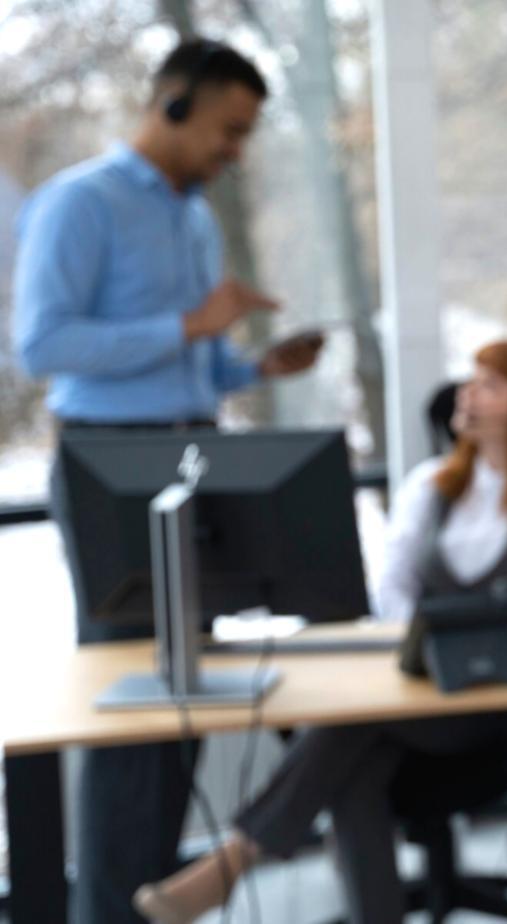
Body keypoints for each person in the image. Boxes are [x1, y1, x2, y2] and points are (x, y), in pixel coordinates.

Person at [133, 340, 507, 923]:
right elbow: (391, 592)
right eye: (471, 379)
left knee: (350, 727)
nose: (467, 392)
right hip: (416, 690)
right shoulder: (431, 486)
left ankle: (235, 859)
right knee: (356, 769)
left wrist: (491, 624)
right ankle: (244, 866)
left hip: (502, 701)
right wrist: (424, 635)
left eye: (491, 384)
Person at [7, 38, 321, 924]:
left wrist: (254, 367)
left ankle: (149, 904)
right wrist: (188, 324)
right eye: (229, 128)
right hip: (113, 461)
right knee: (134, 704)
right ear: (174, 105)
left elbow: (196, 361)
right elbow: (43, 347)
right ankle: (106, 912)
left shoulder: (192, 218)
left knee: (186, 695)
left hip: (193, 454)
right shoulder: (79, 202)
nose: (236, 150)